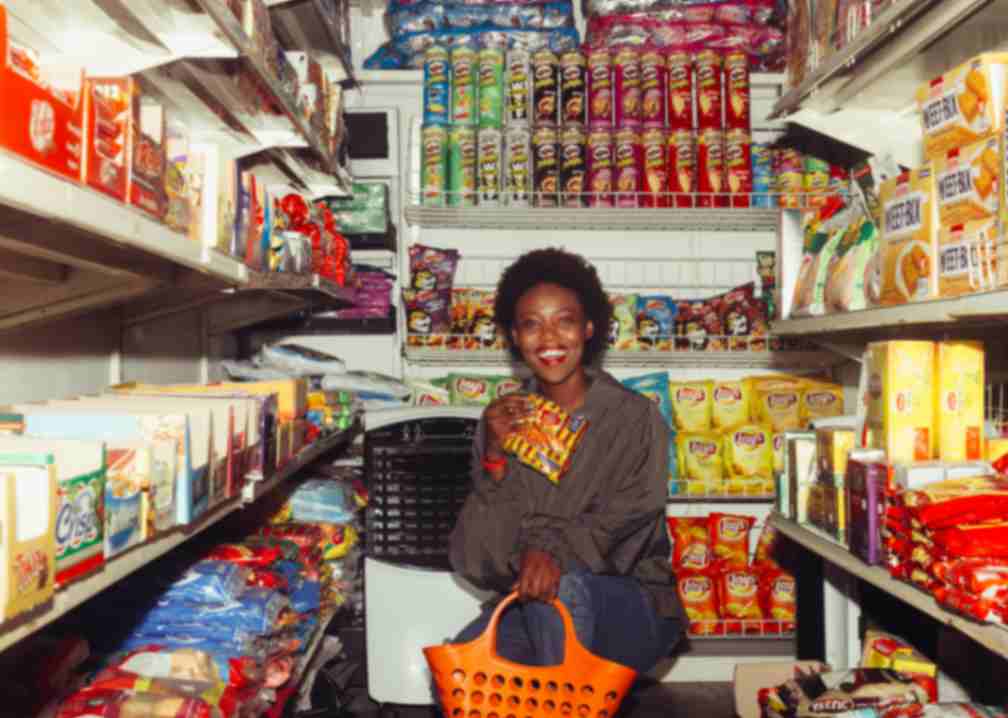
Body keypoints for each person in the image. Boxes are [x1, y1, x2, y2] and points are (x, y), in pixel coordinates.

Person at [449, 248, 685, 675]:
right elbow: (475, 558)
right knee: (460, 666)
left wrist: (550, 553)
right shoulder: (502, 422)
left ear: (589, 328)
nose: (550, 338)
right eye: (532, 324)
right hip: (534, 601)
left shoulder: (633, 417)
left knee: (557, 592)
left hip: (631, 605)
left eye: (565, 320)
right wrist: (495, 460)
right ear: (515, 338)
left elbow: (622, 525)